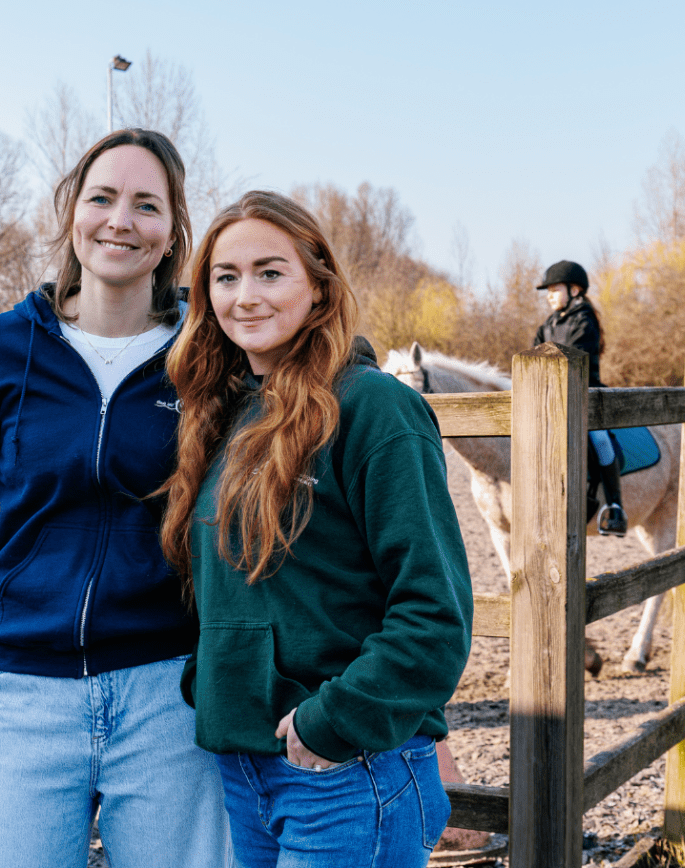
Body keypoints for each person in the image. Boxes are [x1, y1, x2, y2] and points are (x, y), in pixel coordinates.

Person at [0, 129, 232, 868]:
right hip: (22, 694)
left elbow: (305, 351)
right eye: (103, 198)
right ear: (72, 214)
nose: (121, 220)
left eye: (147, 205)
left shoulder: (207, 351)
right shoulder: (7, 347)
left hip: (168, 695)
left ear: (172, 234)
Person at [158, 190, 473, 868]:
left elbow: (435, 613)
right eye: (225, 277)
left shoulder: (375, 409)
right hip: (246, 767)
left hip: (348, 771)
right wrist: (206, 683)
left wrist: (334, 722)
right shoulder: (224, 416)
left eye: (270, 272)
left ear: (319, 286)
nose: (246, 296)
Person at [535, 259, 626, 537]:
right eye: (548, 291)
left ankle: (614, 506)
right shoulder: (548, 324)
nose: (549, 295)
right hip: (551, 396)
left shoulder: (584, 321)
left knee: (600, 441)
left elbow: (572, 359)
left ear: (574, 290)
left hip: (585, 393)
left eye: (555, 289)